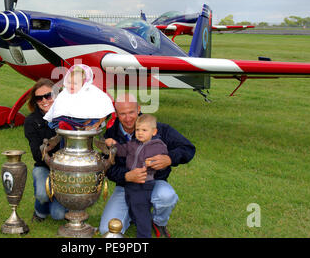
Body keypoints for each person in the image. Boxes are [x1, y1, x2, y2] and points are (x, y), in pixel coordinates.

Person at [99, 93, 196, 237]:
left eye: (131, 112)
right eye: (122, 114)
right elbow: (107, 167)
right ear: (116, 114)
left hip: (155, 183)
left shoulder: (159, 129)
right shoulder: (111, 135)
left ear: (138, 108)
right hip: (126, 187)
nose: (128, 118)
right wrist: (126, 176)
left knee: (166, 196)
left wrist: (169, 158)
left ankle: (159, 222)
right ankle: (133, 212)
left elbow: (188, 148)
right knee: (108, 231)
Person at [105, 114, 169, 238]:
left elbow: (162, 160)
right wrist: (114, 144)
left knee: (141, 210)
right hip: (130, 184)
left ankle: (144, 235)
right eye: (137, 130)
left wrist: (153, 163)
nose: (140, 133)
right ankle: (135, 219)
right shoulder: (133, 144)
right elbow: (122, 151)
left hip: (144, 184)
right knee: (132, 205)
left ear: (154, 131)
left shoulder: (157, 146)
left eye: (144, 130)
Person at [24, 78, 67, 222]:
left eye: (48, 96)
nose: (44, 100)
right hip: (43, 166)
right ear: (35, 101)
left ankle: (66, 202)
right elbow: (37, 155)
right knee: (43, 195)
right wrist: (52, 143)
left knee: (58, 215)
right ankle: (39, 212)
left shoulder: (69, 116)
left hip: (67, 170)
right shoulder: (31, 121)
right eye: (39, 98)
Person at [43, 64, 115, 130]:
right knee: (60, 120)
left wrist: (98, 120)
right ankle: (67, 126)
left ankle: (74, 126)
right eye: (68, 82)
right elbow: (57, 106)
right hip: (67, 119)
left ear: (83, 83)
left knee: (92, 120)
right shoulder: (65, 93)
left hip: (85, 119)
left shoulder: (91, 91)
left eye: (75, 83)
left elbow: (104, 102)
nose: (71, 86)